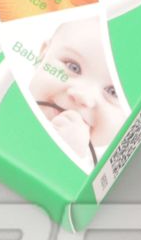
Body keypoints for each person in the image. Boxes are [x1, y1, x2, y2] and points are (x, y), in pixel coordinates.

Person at [28, 17, 127, 168]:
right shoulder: (1, 99)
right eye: (73, 67)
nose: (83, 96)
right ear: (42, 56)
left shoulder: (104, 167)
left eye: (113, 91)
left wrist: (71, 154)